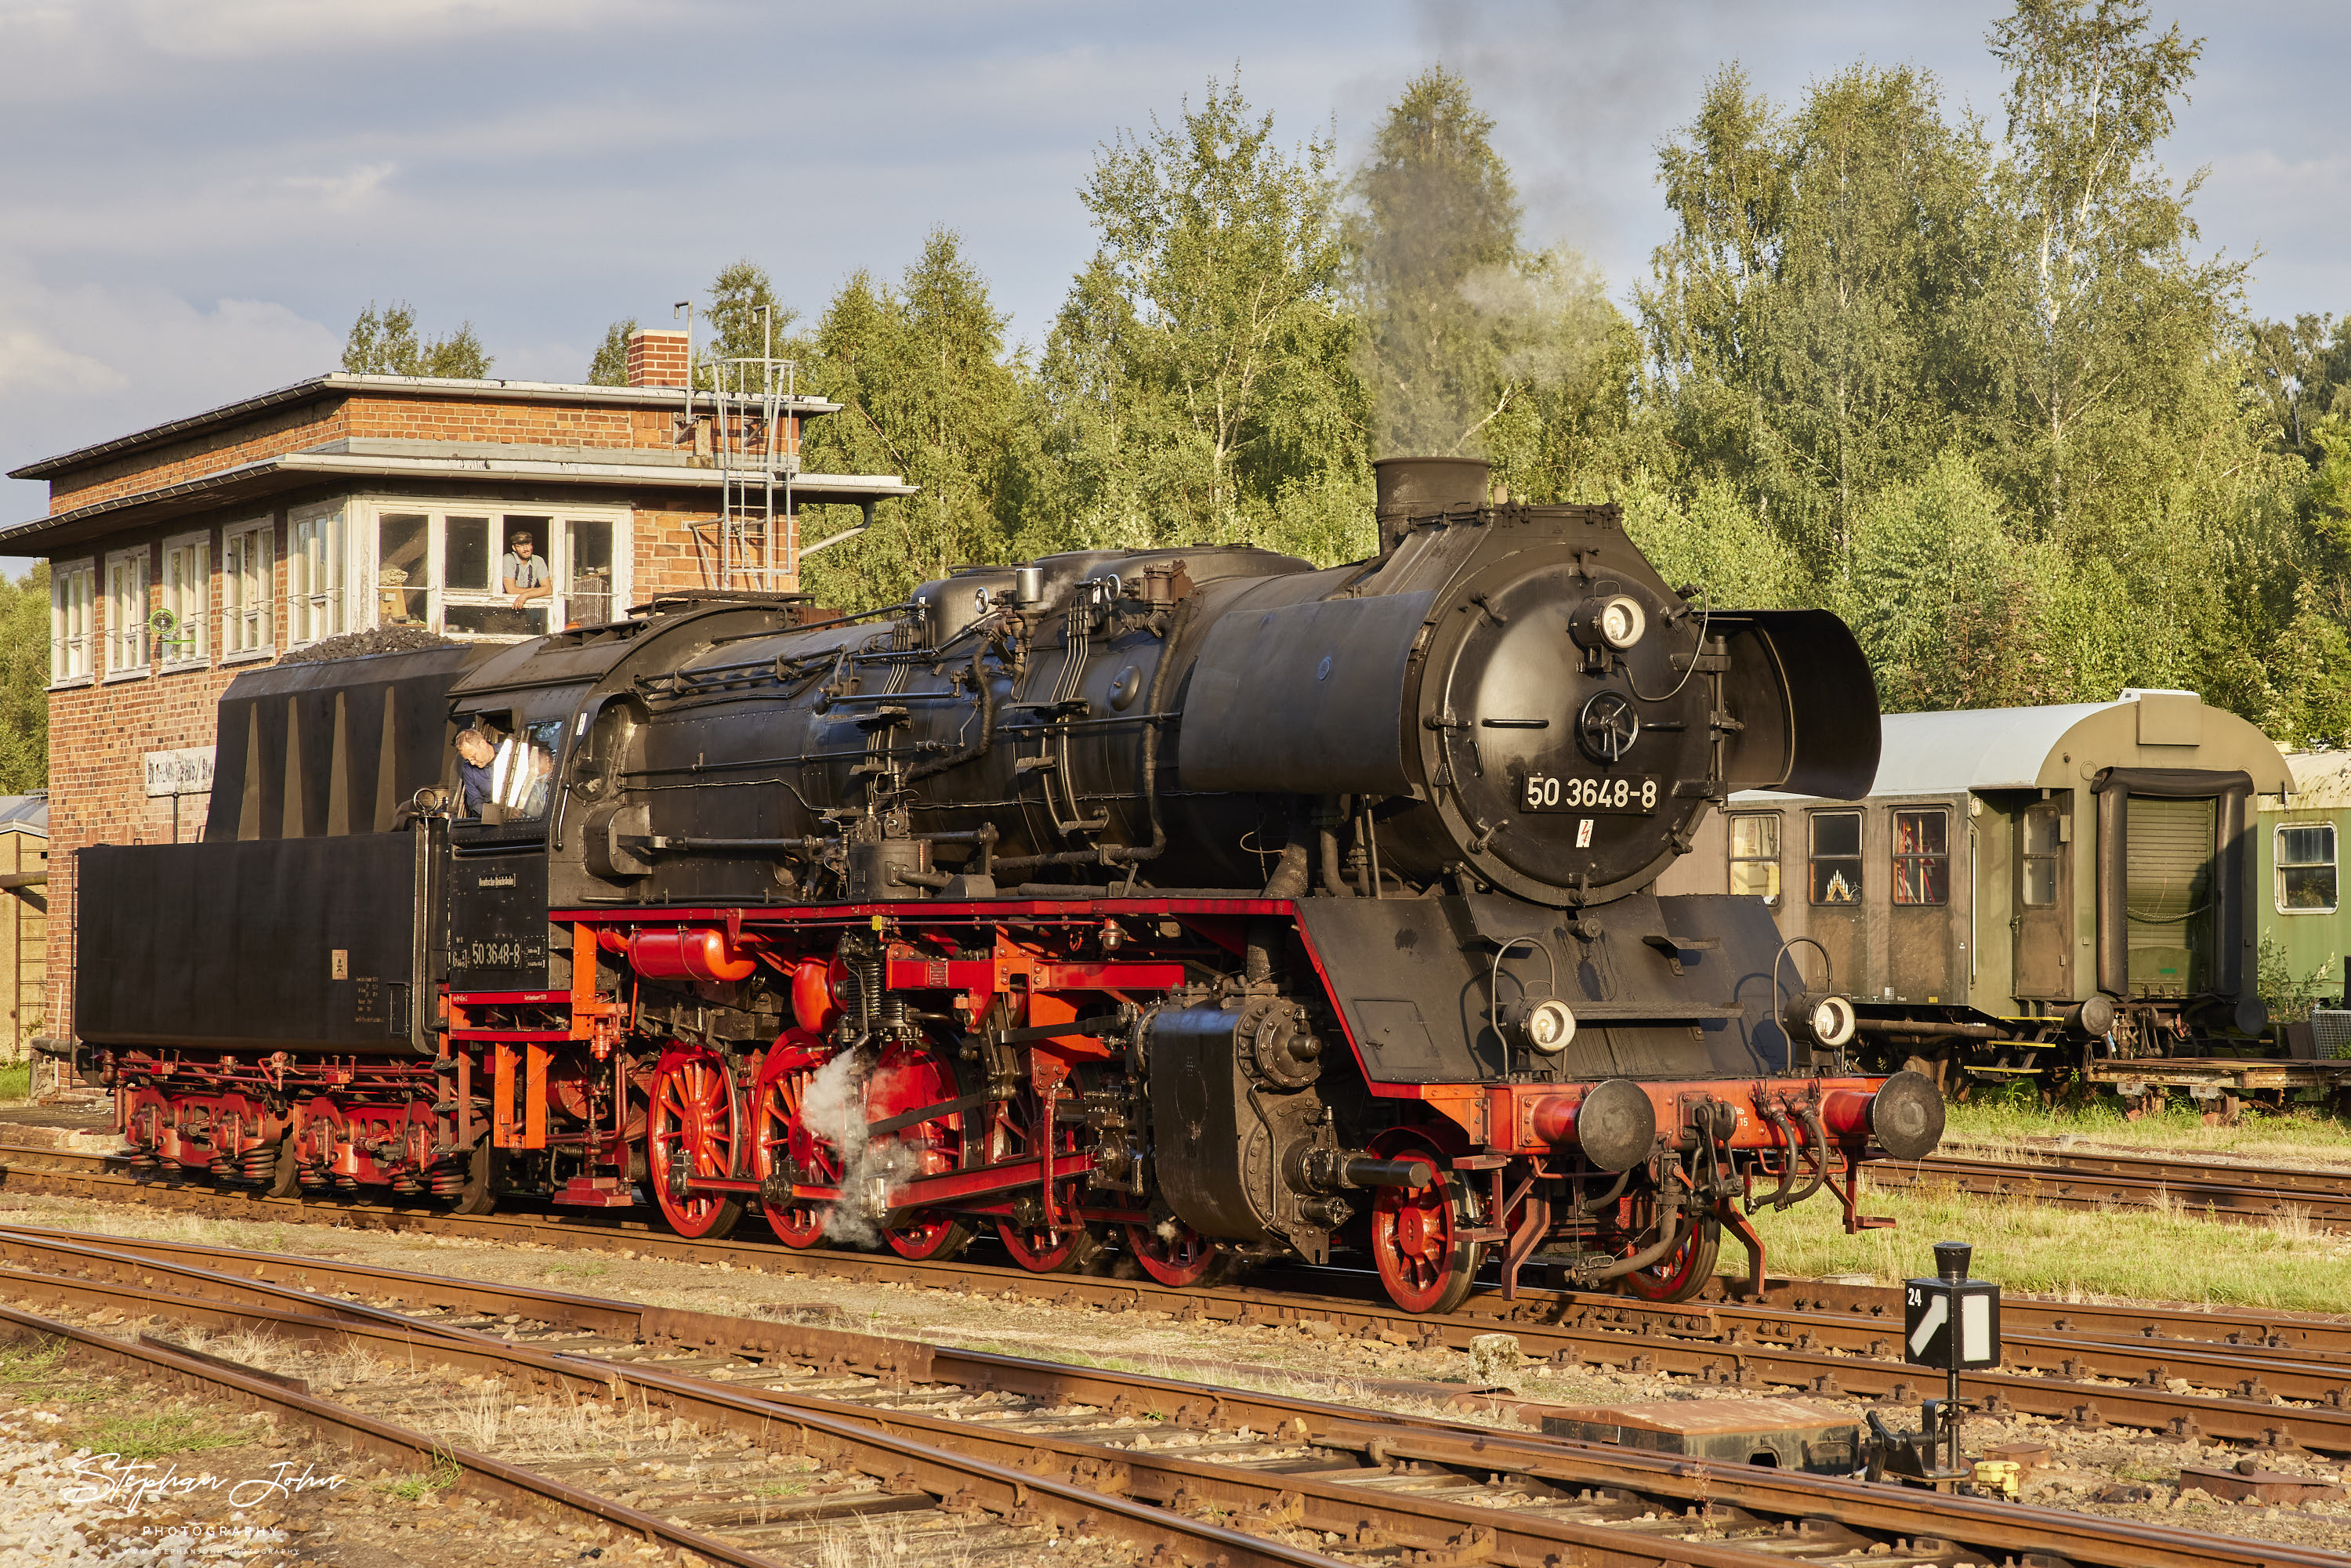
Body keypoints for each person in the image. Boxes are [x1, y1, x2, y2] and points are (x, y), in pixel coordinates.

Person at [502, 531, 551, 610]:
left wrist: (526, 595)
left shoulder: (538, 560)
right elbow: (511, 590)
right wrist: (538, 590)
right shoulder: (508, 559)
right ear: (514, 548)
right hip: (503, 609)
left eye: (528, 544)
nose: (526, 549)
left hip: (524, 609)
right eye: (520, 546)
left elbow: (548, 589)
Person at [455, 726, 496, 819]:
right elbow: (475, 800)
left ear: (482, 744)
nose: (472, 762)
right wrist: (490, 815)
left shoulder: (510, 752)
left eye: (473, 757)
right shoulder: (468, 768)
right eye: (468, 760)